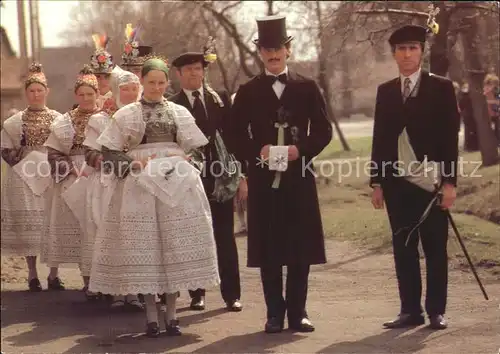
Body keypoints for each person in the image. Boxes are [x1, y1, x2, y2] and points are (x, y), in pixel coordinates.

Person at [89, 57, 220, 337]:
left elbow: (198, 149)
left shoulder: (179, 112)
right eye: (151, 83)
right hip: (140, 186)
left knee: (172, 246)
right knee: (147, 248)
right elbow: (109, 152)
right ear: (142, 84)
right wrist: (132, 164)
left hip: (176, 185)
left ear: (166, 83)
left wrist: (186, 161)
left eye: (161, 83)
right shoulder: (126, 115)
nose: (157, 88)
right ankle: (151, 316)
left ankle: (172, 316)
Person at [229, 15, 332, 333]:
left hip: (299, 176)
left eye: (279, 48)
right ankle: (274, 313)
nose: (273, 54)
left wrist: (300, 151)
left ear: (288, 49)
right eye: (267, 49)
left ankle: (298, 312)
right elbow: (233, 133)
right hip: (263, 180)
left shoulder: (307, 86)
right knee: (270, 246)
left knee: (300, 245)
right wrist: (255, 152)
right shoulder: (248, 91)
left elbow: (324, 131)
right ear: (260, 53)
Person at [369, 25, 460, 330]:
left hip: (431, 184)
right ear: (393, 54)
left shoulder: (442, 88)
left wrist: (450, 183)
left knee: (435, 247)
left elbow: (449, 140)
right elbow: (380, 139)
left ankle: (436, 311)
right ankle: (410, 310)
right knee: (403, 248)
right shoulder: (385, 91)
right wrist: (377, 182)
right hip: (397, 185)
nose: (407, 54)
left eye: (412, 49)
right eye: (401, 49)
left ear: (422, 52)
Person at [169, 45, 245, 312]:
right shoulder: (173, 104)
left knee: (225, 235)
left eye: (198, 69)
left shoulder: (220, 98)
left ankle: (232, 294)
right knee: (194, 235)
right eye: (188, 69)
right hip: (189, 178)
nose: (194, 74)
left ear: (204, 71)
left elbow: (235, 137)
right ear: (179, 74)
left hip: (220, 177)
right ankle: (197, 293)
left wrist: (241, 175)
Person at [82, 66, 143, 310]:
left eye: (133, 89)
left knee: (137, 236)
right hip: (108, 183)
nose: (129, 93)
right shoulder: (100, 119)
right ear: (116, 91)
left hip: (139, 181)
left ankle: (137, 290)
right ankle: (116, 290)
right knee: (113, 235)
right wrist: (116, 163)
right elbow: (90, 153)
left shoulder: (144, 116)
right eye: (124, 89)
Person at [1, 63, 63, 291]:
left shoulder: (59, 119)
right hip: (24, 176)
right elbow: (5, 147)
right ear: (25, 93)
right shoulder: (13, 122)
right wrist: (24, 160)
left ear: (47, 92)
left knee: (52, 221)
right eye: (31, 91)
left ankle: (54, 274)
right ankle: (32, 273)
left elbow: (64, 146)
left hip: (50, 173)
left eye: (40, 90)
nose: (36, 94)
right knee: (29, 224)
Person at [42, 65, 100, 299]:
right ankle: (87, 282)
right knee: (80, 231)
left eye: (90, 94)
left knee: (98, 229)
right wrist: (71, 170)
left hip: (99, 173)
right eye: (82, 94)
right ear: (76, 96)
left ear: (97, 95)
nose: (86, 98)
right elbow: (53, 152)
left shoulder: (108, 117)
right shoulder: (65, 121)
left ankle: (103, 280)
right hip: (73, 178)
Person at [231, 92, 248, 234]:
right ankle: (243, 223)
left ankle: (249, 222)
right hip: (239, 161)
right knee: (239, 197)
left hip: (252, 160)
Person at [89, 34, 115, 109]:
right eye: (98, 76)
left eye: (106, 76)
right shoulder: (85, 101)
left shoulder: (119, 100)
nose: (102, 81)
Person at [483, 73, 500, 144]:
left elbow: (498, 99)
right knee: (490, 128)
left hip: (496, 112)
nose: (495, 85)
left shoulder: (496, 90)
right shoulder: (486, 90)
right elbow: (484, 100)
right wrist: (494, 101)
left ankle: (497, 141)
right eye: (494, 83)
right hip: (489, 112)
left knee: (497, 127)